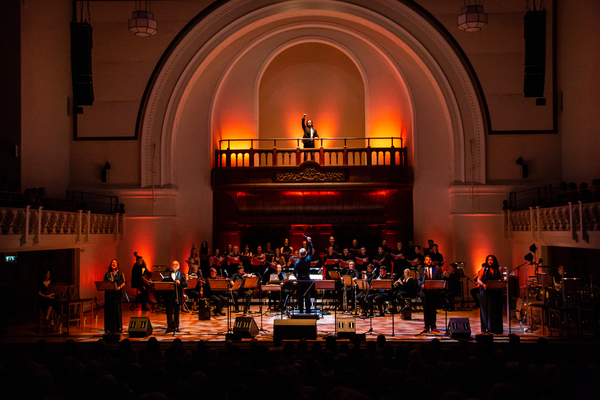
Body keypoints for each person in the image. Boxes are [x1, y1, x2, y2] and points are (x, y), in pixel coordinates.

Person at [478, 255, 503, 334]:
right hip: (485, 292)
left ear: (494, 261)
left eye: (491, 260)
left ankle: (496, 328)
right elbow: (478, 279)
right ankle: (486, 328)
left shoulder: (498, 269)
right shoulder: (484, 269)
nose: (490, 261)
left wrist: (501, 285)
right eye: (488, 260)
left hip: (496, 292)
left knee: (495, 310)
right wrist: (483, 285)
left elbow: (501, 280)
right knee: (486, 310)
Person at [417, 255, 442, 335]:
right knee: (426, 311)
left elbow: (439, 280)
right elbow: (419, 280)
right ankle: (426, 327)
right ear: (424, 261)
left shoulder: (437, 270)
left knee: (433, 310)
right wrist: (422, 285)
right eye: (427, 259)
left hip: (434, 293)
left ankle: (433, 326)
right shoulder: (421, 270)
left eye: (430, 259)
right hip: (425, 293)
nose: (429, 261)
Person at [162, 260, 188, 333]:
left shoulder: (182, 275)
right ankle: (169, 326)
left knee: (176, 312)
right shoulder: (167, 274)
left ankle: (176, 326)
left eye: (176, 264)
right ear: (171, 266)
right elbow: (164, 283)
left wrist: (179, 283)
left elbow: (185, 284)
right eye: (173, 264)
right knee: (169, 311)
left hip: (177, 296)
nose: (175, 265)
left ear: (179, 266)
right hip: (169, 296)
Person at [104, 259, 126, 335]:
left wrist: (118, 288)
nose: (113, 263)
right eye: (112, 262)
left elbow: (124, 282)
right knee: (109, 311)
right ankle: (109, 328)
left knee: (117, 310)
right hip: (109, 295)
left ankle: (118, 328)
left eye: (115, 262)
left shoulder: (120, 273)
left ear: (117, 265)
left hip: (117, 294)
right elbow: (104, 283)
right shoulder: (107, 274)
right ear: (110, 264)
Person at [293, 236, 314, 313]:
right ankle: (308, 310)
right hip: (307, 280)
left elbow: (294, 273)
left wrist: (297, 277)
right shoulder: (308, 260)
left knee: (300, 296)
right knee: (307, 295)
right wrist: (310, 242)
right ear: (305, 253)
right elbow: (311, 252)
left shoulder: (297, 263)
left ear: (299, 254)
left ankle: (301, 310)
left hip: (300, 280)